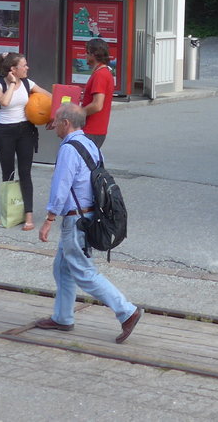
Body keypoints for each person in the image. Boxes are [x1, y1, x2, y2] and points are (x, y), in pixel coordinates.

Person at [35, 103, 142, 343]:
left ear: (66, 123)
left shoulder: (69, 150)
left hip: (76, 219)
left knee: (84, 272)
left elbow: (61, 185)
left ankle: (127, 311)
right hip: (90, 215)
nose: (54, 128)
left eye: (56, 123)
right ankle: (62, 318)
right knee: (62, 269)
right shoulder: (91, 145)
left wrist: (49, 218)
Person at [0, 53, 51, 231]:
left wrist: (58, 110)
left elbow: (48, 96)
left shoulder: (28, 83)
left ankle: (28, 215)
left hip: (25, 130)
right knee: (7, 173)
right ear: (13, 70)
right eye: (24, 65)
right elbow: (5, 103)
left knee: (25, 172)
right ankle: (7, 213)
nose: (27, 68)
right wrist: (13, 84)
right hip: (4, 132)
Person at [80, 37, 115, 148]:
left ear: (93, 55)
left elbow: (97, 105)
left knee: (86, 163)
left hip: (92, 130)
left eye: (87, 53)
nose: (85, 55)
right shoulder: (101, 72)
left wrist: (78, 112)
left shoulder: (100, 75)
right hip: (95, 130)